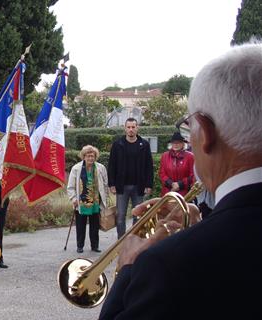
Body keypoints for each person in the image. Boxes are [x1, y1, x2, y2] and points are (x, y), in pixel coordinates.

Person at [99, 43, 262, 319]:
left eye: (189, 129)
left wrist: (128, 268)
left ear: (206, 133)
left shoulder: (164, 265)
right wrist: (206, 226)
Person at [108, 117, 153, 238]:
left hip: (139, 186)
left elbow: (149, 165)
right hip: (121, 187)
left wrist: (149, 184)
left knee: (138, 216)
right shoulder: (118, 145)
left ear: (137, 128)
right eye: (128, 127)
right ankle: (121, 242)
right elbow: (112, 165)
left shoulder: (144, 145)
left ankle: (134, 240)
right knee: (121, 216)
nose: (131, 129)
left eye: (133, 127)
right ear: (125, 129)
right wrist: (111, 184)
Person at [67, 145, 109, 253]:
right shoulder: (76, 168)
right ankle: (80, 246)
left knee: (95, 226)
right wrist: (73, 199)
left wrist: (105, 198)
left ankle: (95, 246)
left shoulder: (101, 168)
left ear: (95, 157)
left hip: (95, 202)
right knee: (81, 226)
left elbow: (105, 184)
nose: (90, 158)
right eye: (88, 156)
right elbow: (70, 186)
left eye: (92, 156)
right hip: (81, 203)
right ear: (84, 156)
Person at [158, 131, 195, 196]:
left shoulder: (190, 156)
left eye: (178, 143)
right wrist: (171, 184)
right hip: (168, 191)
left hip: (185, 193)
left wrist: (180, 184)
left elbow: (193, 175)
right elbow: (162, 173)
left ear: (183, 144)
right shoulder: (165, 156)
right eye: (174, 143)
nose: (175, 144)